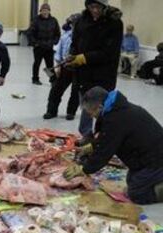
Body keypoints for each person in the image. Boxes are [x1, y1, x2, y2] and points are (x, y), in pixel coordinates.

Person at [63, 86, 163, 205]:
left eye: (91, 113)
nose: (91, 117)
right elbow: (105, 137)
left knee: (137, 195)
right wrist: (92, 146)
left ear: (100, 107)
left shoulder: (116, 119)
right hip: (146, 156)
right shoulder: (114, 109)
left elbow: (105, 152)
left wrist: (84, 169)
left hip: (156, 160)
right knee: (131, 182)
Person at [67, 0, 123, 146]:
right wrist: (72, 55)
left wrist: (84, 57)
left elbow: (109, 52)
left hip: (103, 73)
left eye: (98, 7)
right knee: (86, 104)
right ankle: (87, 134)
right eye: (92, 7)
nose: (95, 10)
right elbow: (75, 42)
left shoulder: (114, 23)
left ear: (105, 7)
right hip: (83, 73)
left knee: (102, 107)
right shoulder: (81, 20)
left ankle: (104, 137)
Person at [43, 14, 81, 121]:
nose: (75, 27)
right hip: (64, 67)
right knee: (56, 90)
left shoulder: (85, 38)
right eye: (73, 24)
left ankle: (71, 112)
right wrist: (57, 66)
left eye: (77, 24)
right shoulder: (65, 37)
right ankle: (51, 111)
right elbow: (58, 53)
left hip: (78, 69)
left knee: (75, 92)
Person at [29, 3, 60, 85]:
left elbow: (57, 33)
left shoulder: (54, 20)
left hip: (49, 47)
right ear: (40, 11)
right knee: (37, 63)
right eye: (43, 10)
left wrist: (54, 42)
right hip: (39, 47)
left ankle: (52, 79)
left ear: (49, 11)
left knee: (50, 65)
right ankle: (35, 79)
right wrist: (35, 43)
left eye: (46, 10)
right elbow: (31, 33)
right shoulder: (36, 20)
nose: (45, 12)